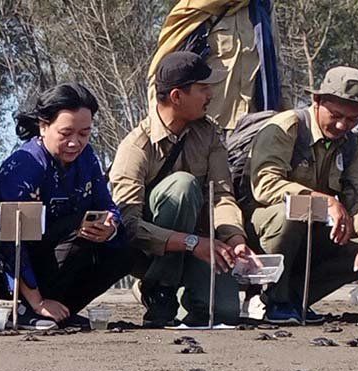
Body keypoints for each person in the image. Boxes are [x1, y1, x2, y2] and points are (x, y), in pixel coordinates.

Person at [109, 51, 255, 328]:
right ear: (177, 96)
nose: (210, 95)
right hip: (149, 252)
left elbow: (222, 196)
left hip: (199, 244)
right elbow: (127, 224)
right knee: (183, 185)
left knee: (223, 312)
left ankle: (183, 290)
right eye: (203, 88)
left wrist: (234, 238)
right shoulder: (135, 147)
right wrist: (190, 242)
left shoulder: (209, 134)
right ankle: (159, 288)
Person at [0, 84, 130, 330]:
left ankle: (63, 310)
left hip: (62, 251)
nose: (75, 143)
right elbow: (9, 239)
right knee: (75, 236)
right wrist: (37, 299)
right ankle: (26, 309)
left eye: (84, 134)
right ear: (43, 126)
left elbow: (107, 204)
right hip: (15, 262)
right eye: (66, 133)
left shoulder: (87, 158)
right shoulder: (25, 164)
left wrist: (110, 226)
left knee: (125, 248)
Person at [247, 66, 358, 324]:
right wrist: (323, 200)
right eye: (336, 115)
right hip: (260, 229)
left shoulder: (353, 145)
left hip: (313, 232)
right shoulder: (286, 127)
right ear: (317, 101)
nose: (343, 125)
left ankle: (296, 299)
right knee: (296, 211)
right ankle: (274, 299)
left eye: (353, 119)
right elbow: (264, 184)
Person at [149, 0, 282, 131]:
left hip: (257, 124)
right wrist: (161, 131)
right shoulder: (192, 9)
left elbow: (276, 69)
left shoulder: (262, 7)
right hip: (205, 130)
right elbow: (163, 77)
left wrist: (285, 118)